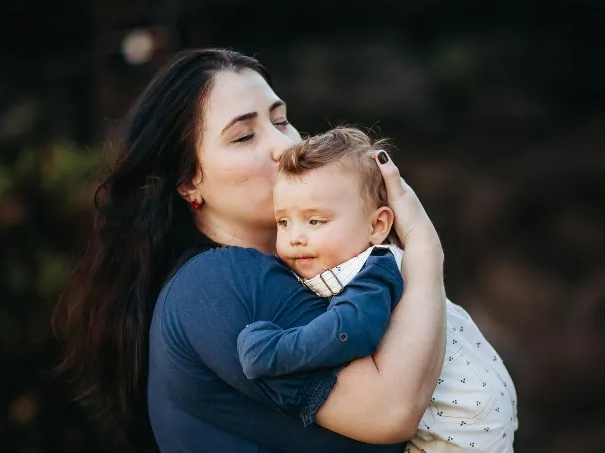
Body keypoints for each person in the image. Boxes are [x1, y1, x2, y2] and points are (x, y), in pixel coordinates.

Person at [51, 48, 447, 453]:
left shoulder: (296, 275)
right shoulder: (218, 284)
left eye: (281, 120)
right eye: (244, 136)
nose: (283, 146)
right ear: (188, 181)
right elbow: (391, 411)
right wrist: (424, 248)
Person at [236, 127, 519, 452]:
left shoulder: (375, 270)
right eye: (283, 222)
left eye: (315, 222)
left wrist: (276, 350)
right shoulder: (368, 260)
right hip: (482, 405)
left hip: (462, 423)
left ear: (377, 226)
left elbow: (351, 330)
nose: (295, 237)